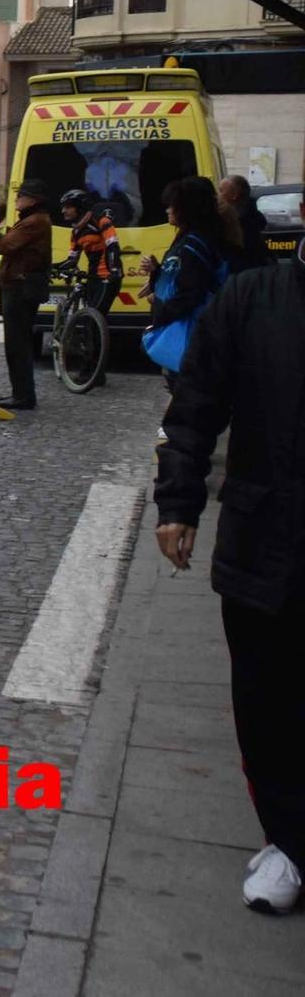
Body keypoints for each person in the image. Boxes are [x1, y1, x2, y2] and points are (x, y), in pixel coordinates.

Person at [153, 238, 305, 915]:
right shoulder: (253, 299)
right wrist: (178, 504)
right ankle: (289, 842)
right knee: (267, 701)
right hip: (265, 536)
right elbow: (195, 409)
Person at [138, 176, 239, 391]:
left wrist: (162, 314)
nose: (167, 210)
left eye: (172, 205)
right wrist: (157, 273)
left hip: (189, 330)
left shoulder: (195, 244)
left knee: (184, 391)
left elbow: (190, 292)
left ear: (186, 208)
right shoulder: (191, 238)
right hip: (186, 328)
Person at [0, 179, 54, 410]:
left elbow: (4, 246)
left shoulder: (34, 222)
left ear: (33, 200)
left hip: (21, 288)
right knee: (17, 343)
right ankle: (20, 392)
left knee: (17, 344)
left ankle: (23, 396)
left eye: (22, 195)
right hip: (19, 285)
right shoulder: (33, 220)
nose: (17, 199)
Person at [56, 187, 123, 322]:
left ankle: (97, 342)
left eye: (68, 207)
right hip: (92, 276)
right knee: (88, 319)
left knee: (95, 316)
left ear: (80, 208)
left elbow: (113, 246)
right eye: (63, 207)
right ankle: (81, 341)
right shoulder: (76, 232)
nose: (64, 211)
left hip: (108, 277)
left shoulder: (101, 221)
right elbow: (72, 260)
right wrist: (53, 268)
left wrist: (115, 270)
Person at [219, 174, 271, 269]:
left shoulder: (238, 220)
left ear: (234, 195)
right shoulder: (253, 214)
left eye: (221, 191)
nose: (218, 195)